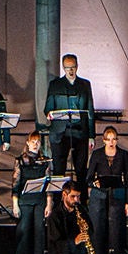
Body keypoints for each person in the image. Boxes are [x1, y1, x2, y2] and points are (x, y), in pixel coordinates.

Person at [44, 53, 95, 186]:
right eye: (67, 68)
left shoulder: (84, 84)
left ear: (77, 67)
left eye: (72, 67)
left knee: (81, 169)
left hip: (79, 131)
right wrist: (49, 114)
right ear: (63, 68)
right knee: (59, 169)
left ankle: (82, 202)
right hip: (60, 133)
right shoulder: (55, 84)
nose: (70, 71)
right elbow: (48, 108)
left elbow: (90, 110)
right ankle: (58, 202)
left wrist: (91, 136)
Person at [85, 125, 128, 254]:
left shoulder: (124, 154)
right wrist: (95, 183)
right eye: (108, 139)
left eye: (114, 139)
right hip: (99, 196)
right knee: (98, 230)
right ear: (104, 140)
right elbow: (88, 178)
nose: (111, 142)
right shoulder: (97, 154)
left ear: (117, 140)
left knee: (116, 232)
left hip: (117, 195)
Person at [12, 130, 51, 254]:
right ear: (28, 143)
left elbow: (48, 185)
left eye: (38, 142)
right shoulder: (20, 161)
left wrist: (49, 203)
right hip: (25, 201)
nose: (35, 144)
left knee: (39, 233)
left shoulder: (45, 161)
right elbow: (15, 185)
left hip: (39, 201)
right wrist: (15, 204)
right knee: (23, 233)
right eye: (33, 141)